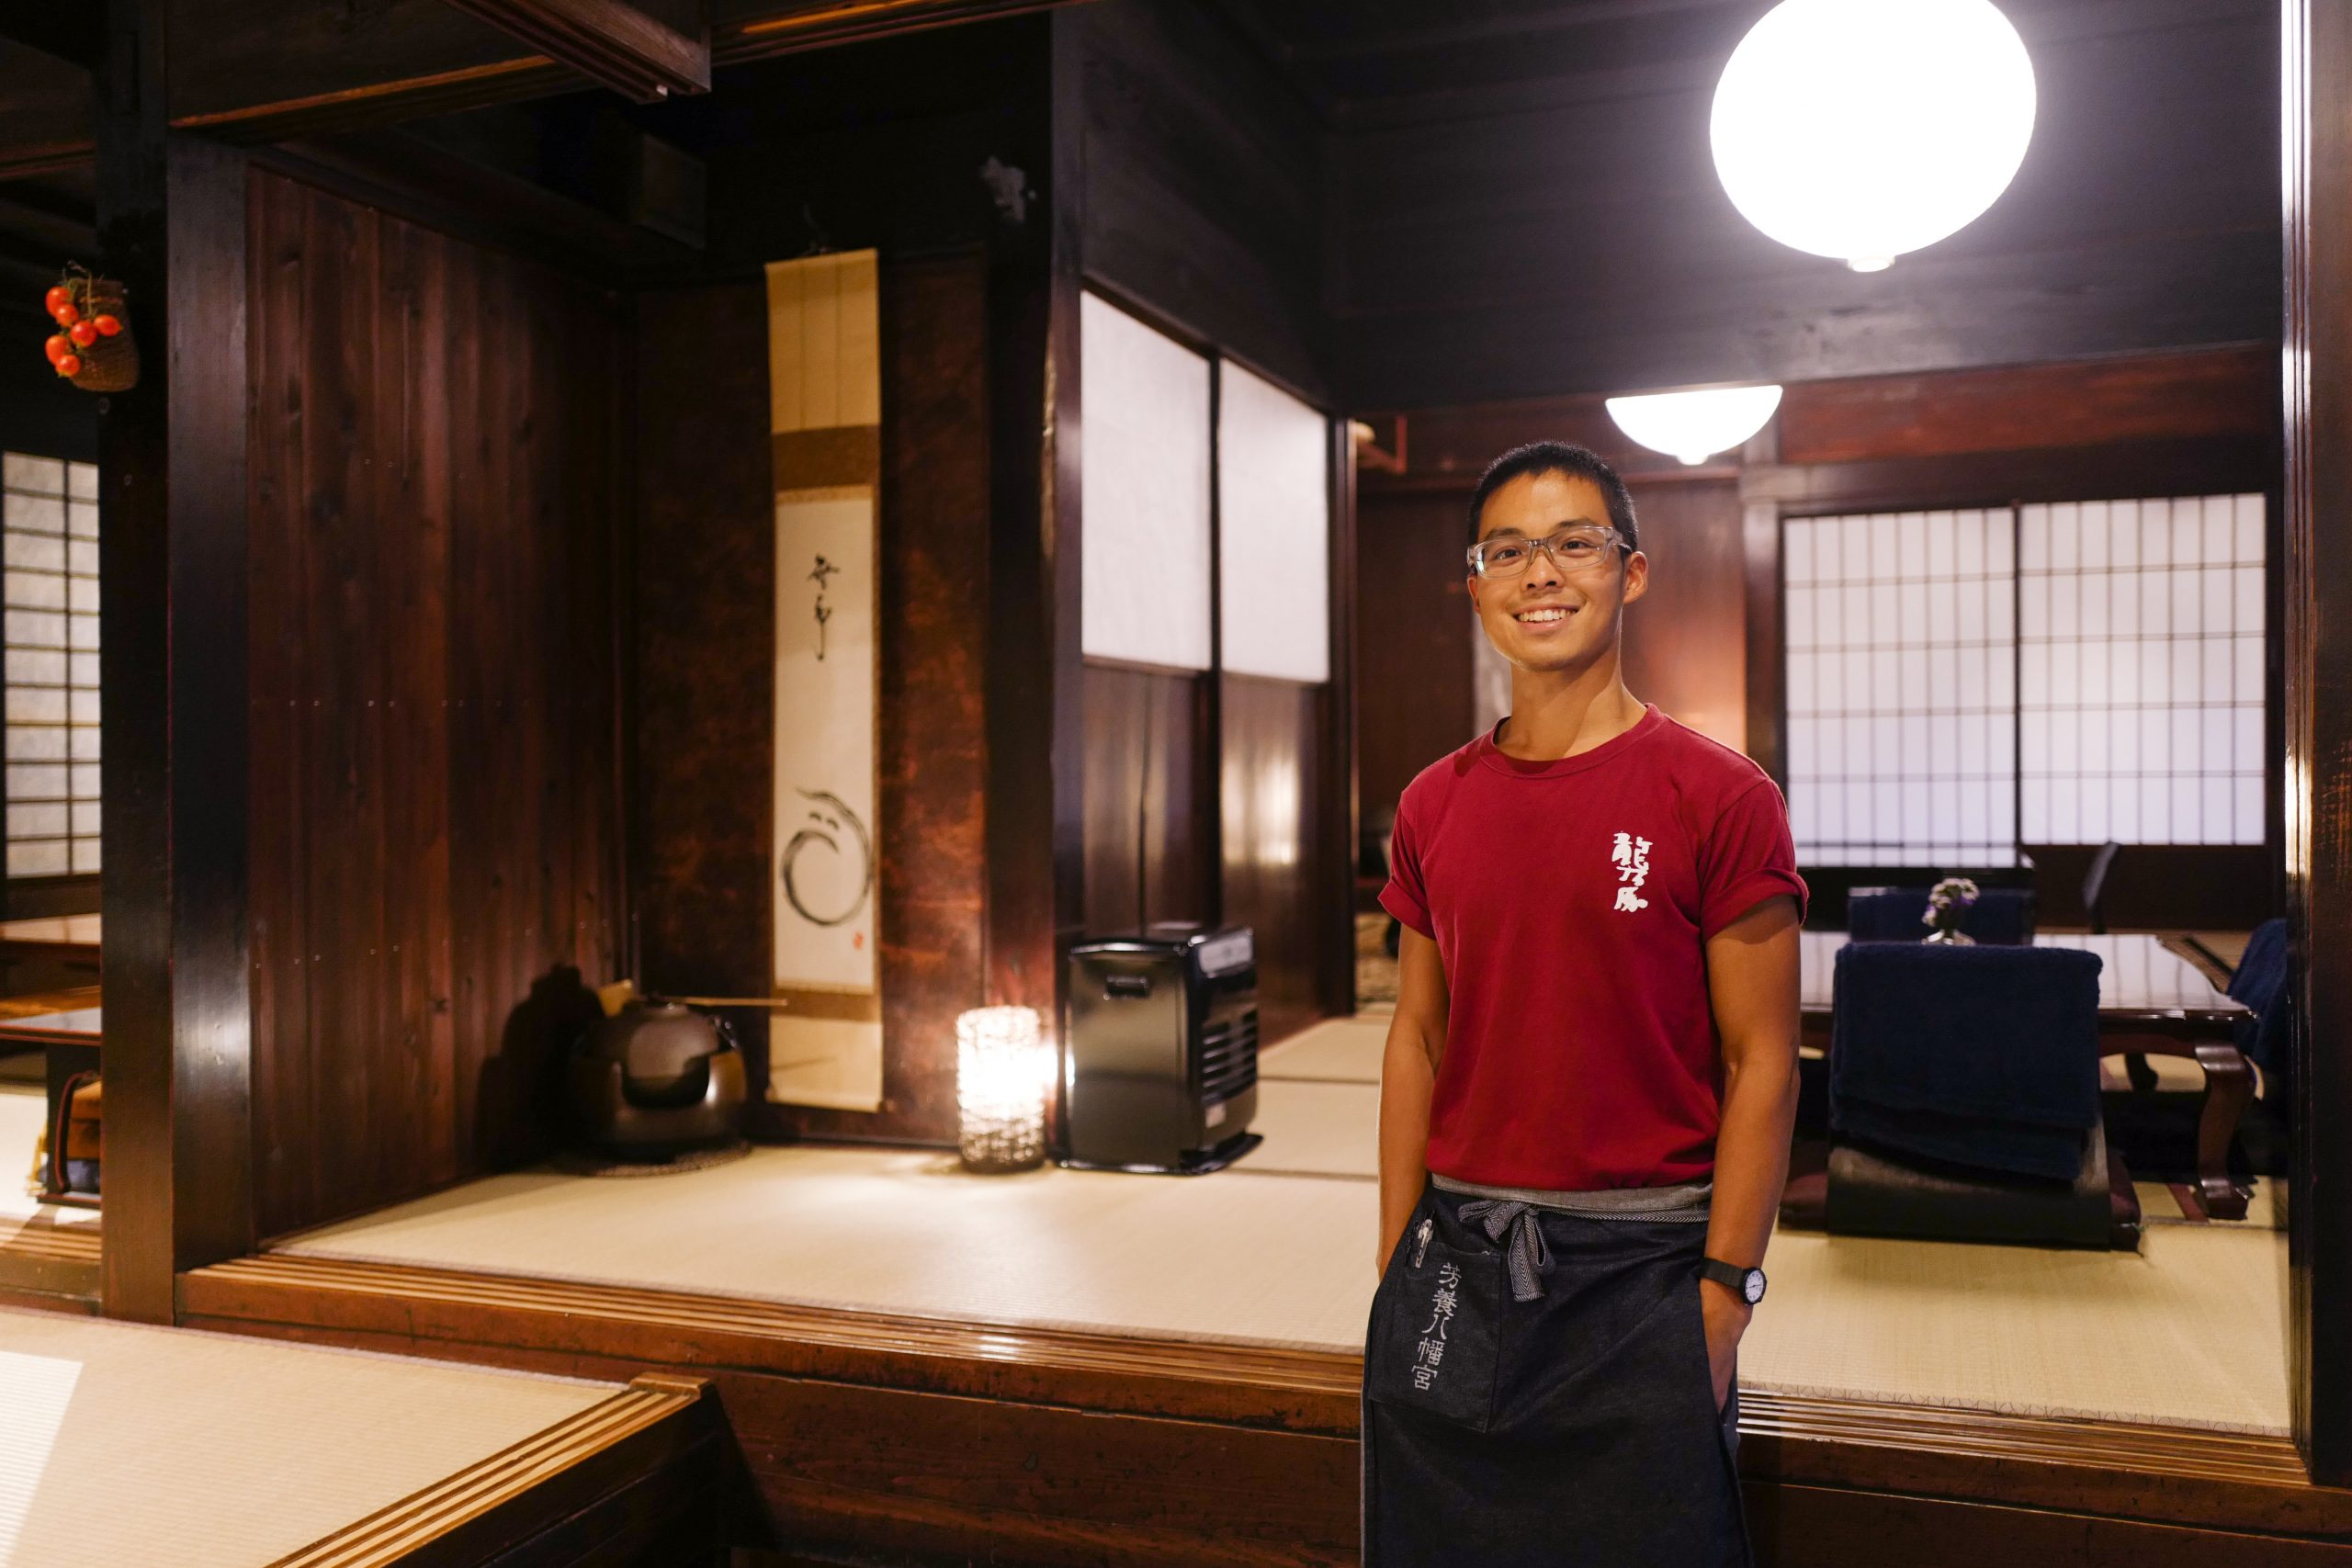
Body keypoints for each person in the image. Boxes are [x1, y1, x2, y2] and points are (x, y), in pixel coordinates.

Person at [1363, 441, 1804, 1567]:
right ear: (1475, 586)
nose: (1539, 575)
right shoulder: (1431, 803)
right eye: (1506, 551)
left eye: (1574, 544)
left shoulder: (1719, 795)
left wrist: (1726, 1289)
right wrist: (1395, 1259)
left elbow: (1765, 1061)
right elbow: (1416, 1036)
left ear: (1632, 572)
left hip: (1645, 1268)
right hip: (1458, 1253)